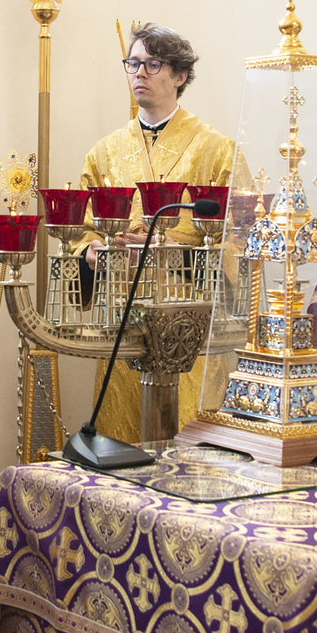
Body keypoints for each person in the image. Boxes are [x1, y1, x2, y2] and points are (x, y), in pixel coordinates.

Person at [75, 22, 242, 441]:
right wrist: (92, 251)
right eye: (132, 63)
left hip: (189, 315)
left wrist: (175, 249)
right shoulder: (104, 152)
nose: (139, 74)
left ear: (179, 75)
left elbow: (239, 237)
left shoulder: (216, 149)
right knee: (122, 438)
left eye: (152, 64)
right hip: (124, 315)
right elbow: (81, 228)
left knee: (187, 438)